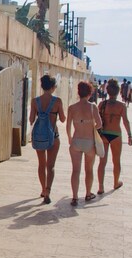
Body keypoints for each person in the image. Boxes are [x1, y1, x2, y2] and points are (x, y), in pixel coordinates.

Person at [29, 74, 66, 204]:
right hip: (53, 136)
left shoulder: (35, 101)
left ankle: (42, 189)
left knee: (41, 164)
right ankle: (48, 191)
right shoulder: (57, 101)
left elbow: (31, 120)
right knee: (51, 166)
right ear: (52, 87)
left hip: (39, 136)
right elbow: (62, 119)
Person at [66, 80, 102, 205]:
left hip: (76, 140)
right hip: (89, 141)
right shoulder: (93, 107)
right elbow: (99, 124)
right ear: (90, 93)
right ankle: (88, 193)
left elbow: (68, 126)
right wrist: (91, 126)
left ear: (78, 92)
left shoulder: (72, 108)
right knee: (89, 170)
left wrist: (70, 138)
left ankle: (75, 197)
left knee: (75, 170)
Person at [97, 79, 132, 194]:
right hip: (116, 135)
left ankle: (101, 187)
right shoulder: (121, 106)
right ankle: (116, 182)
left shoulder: (102, 104)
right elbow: (126, 121)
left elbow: (97, 121)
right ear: (118, 92)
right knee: (116, 161)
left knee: (102, 162)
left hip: (104, 134)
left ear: (107, 92)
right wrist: (130, 135)